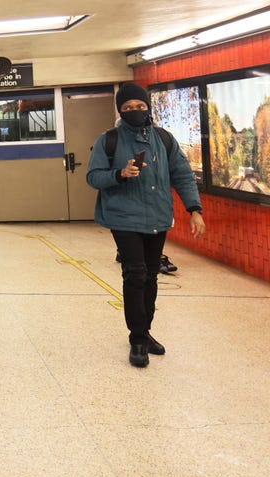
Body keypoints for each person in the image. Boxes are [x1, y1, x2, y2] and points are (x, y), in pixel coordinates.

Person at [86, 82, 205, 368]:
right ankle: (137, 338)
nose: (135, 111)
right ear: (120, 111)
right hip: (123, 217)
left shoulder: (164, 139)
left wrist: (194, 209)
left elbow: (183, 175)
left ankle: (146, 330)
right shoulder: (109, 140)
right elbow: (93, 177)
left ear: (147, 108)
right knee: (135, 274)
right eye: (127, 108)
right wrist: (120, 173)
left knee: (151, 276)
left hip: (158, 216)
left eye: (139, 107)